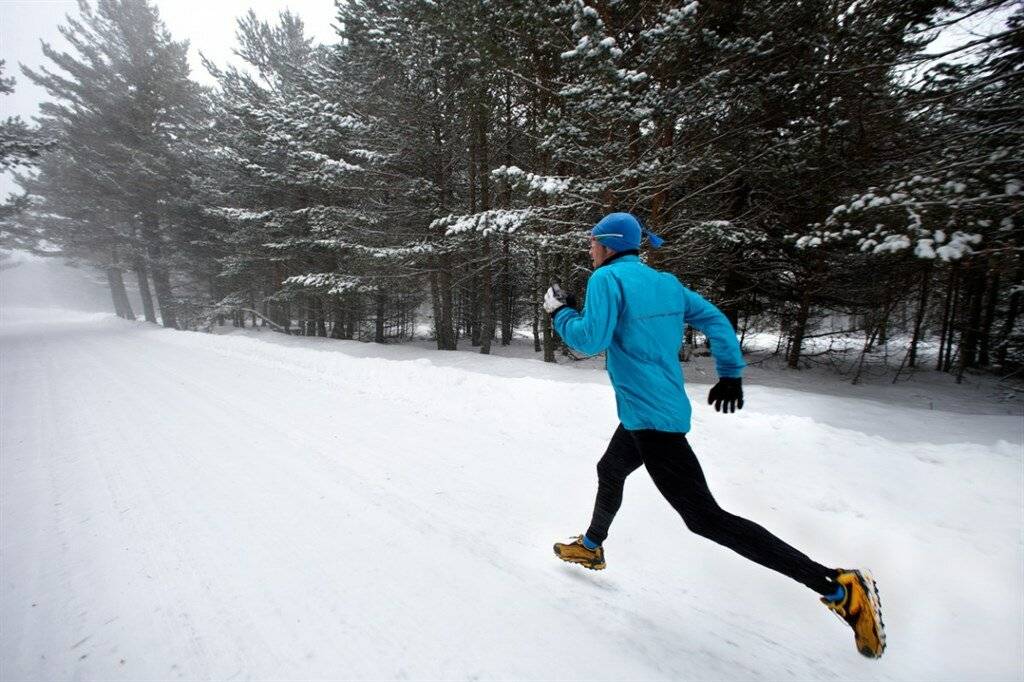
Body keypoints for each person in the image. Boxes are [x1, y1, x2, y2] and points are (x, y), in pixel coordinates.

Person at [542, 212, 885, 659]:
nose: (589, 250)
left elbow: (589, 340)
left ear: (607, 246)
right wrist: (730, 372)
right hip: (649, 410)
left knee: (706, 519)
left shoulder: (607, 279)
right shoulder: (664, 282)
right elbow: (717, 320)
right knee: (610, 468)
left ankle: (838, 587)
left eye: (591, 243)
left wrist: (560, 312)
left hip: (651, 422)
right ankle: (592, 547)